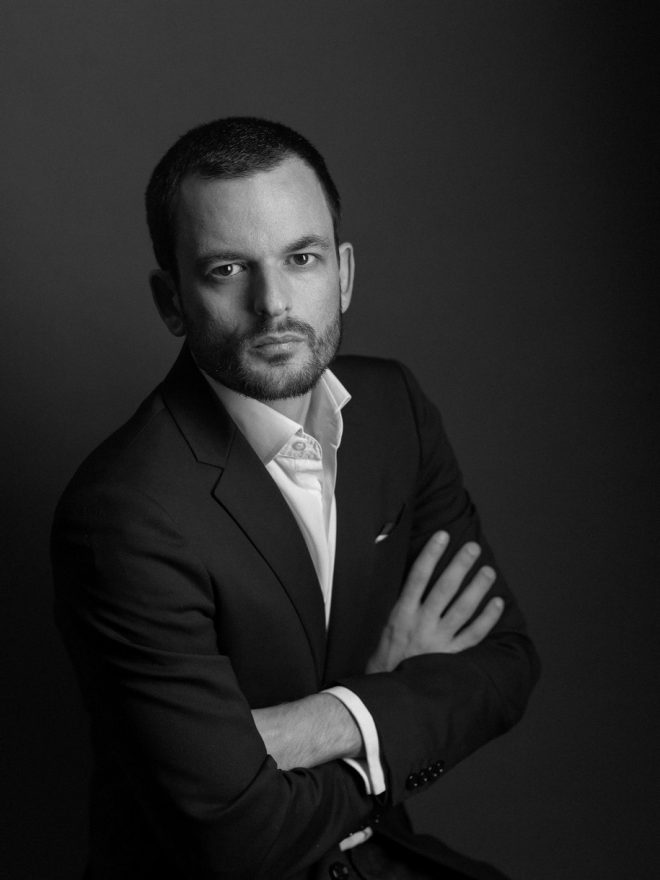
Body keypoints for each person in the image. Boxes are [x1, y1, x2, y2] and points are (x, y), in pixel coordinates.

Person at [52, 117, 539, 880]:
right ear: (171, 301)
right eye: (226, 270)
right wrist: (390, 704)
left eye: (301, 258)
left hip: (379, 859)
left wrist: (312, 723)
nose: (273, 303)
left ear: (342, 273)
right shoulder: (123, 514)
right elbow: (236, 841)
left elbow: (504, 667)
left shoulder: (394, 411)